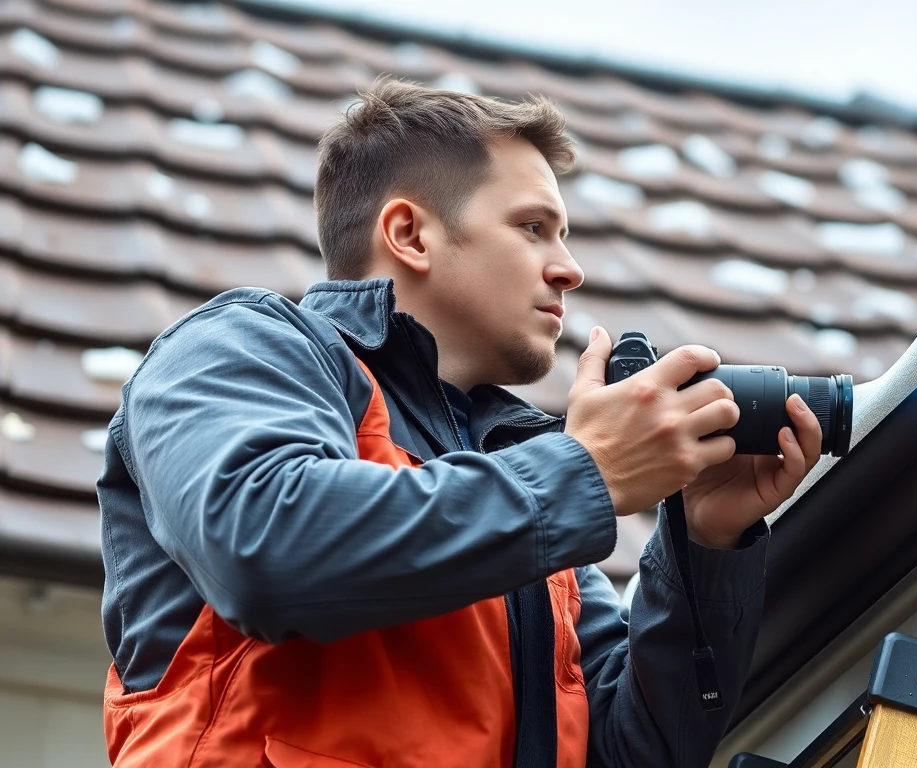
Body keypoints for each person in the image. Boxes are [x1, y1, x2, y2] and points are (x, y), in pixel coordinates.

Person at [95, 77, 823, 767]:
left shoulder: (534, 514)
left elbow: (638, 751)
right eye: (533, 227)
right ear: (410, 233)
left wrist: (705, 541)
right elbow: (263, 546)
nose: (568, 268)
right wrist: (586, 472)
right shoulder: (241, 349)